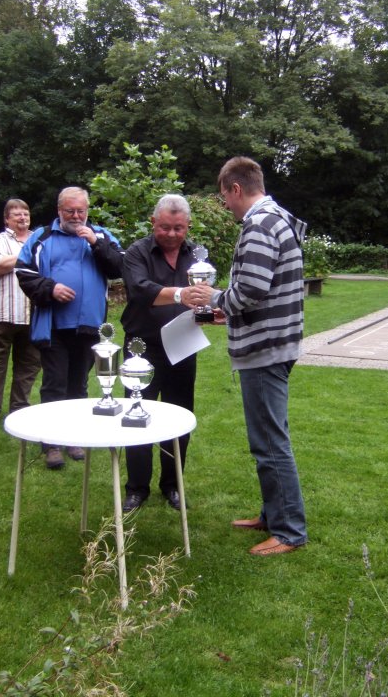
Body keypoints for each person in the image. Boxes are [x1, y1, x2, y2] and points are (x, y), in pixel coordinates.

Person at [196, 156, 308, 556]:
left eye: (224, 196)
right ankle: (272, 514)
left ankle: (289, 531)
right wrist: (226, 309)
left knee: (270, 443)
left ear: (236, 188)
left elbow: (251, 290)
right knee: (269, 437)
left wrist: (214, 298)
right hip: (276, 342)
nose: (225, 204)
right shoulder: (277, 218)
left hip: (265, 348)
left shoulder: (259, 224)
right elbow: (259, 289)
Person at [16, 186, 123, 470]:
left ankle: (74, 437)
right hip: (53, 325)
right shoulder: (42, 237)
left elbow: (120, 267)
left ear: (87, 211)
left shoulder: (101, 235)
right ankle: (51, 443)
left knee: (79, 383)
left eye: (81, 211)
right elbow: (22, 271)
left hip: (90, 324)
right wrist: (50, 288)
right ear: (59, 211)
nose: (76, 216)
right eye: (70, 211)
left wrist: (96, 244)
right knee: (54, 383)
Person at [119, 194, 208, 512]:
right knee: (137, 415)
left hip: (183, 344)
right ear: (153, 222)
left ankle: (172, 485)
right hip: (142, 347)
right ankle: (136, 488)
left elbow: (204, 292)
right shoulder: (137, 252)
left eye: (179, 228)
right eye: (165, 227)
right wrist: (181, 294)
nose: (171, 234)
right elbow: (140, 289)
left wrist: (208, 308)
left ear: (188, 226)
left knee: (179, 416)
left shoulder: (196, 255)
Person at [0, 199, 41, 426]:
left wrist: (20, 255)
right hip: (1, 312)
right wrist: (29, 253)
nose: (22, 218)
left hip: (32, 313)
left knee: (29, 364)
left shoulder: (39, 239)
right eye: (17, 214)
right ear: (6, 219)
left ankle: (19, 407)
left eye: (25, 213)